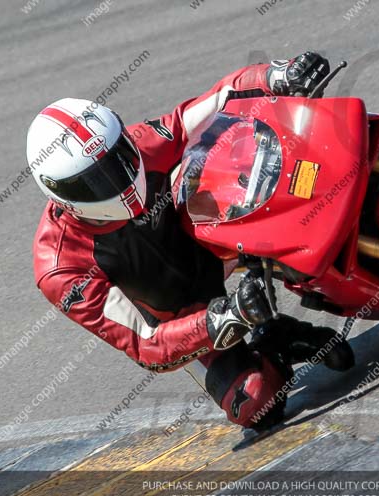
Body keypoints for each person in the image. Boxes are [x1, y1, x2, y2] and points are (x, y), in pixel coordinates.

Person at [29, 52, 353, 430]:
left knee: (230, 151)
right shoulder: (61, 267)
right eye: (95, 181)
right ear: (58, 193)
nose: (118, 179)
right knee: (254, 404)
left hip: (217, 247)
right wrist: (227, 317)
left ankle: (327, 235)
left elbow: (211, 105)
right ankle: (273, 339)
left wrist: (276, 76)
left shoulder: (139, 143)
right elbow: (147, 345)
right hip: (186, 315)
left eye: (118, 158)